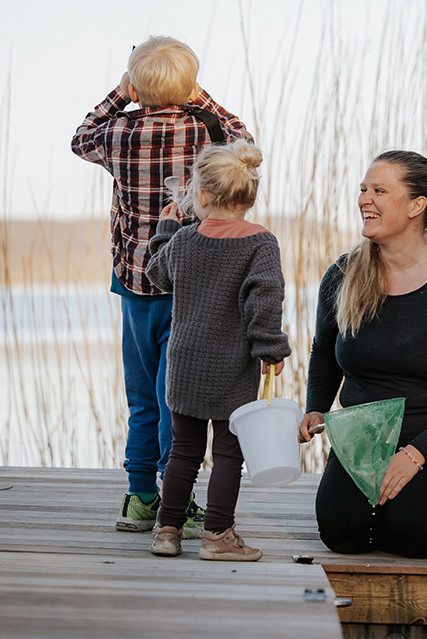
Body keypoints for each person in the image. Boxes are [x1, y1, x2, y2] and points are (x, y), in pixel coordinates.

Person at [71, 36, 252, 537]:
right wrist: (202, 98)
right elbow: (243, 141)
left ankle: (140, 498)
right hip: (191, 285)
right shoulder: (205, 133)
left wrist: (118, 94)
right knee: (178, 398)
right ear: (189, 86)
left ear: (136, 85)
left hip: (134, 282)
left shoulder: (119, 134)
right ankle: (180, 499)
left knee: (142, 395)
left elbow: (80, 135)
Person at [298, 150, 427, 559]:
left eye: (379, 191)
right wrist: (316, 408)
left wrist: (413, 456)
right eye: (363, 190)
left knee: (415, 532)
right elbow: (323, 352)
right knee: (342, 534)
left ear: (415, 206)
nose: (364, 200)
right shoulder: (342, 275)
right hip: (365, 439)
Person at [144, 139, 290, 561]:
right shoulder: (261, 242)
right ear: (248, 195)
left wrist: (167, 230)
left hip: (186, 361)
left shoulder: (186, 239)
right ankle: (217, 536)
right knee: (228, 452)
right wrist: (270, 349)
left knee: (183, 451)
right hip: (233, 365)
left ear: (202, 196)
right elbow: (265, 298)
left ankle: (167, 531)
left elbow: (158, 275)